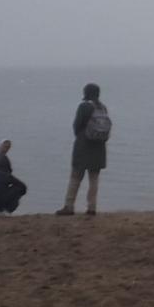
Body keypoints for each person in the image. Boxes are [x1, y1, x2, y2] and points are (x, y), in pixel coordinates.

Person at [57, 83, 109, 216]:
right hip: (99, 148)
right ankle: (92, 207)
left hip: (83, 146)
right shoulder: (102, 108)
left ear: (86, 92)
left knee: (75, 177)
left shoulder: (84, 107)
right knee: (94, 179)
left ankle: (69, 206)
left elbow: (77, 125)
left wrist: (81, 136)